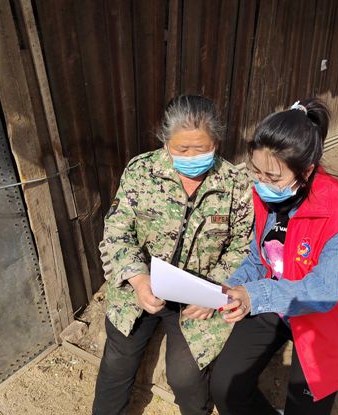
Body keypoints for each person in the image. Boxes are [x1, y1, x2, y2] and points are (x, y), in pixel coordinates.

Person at [93, 95, 254, 415]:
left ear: (217, 143)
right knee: (117, 362)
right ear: (165, 143)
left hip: (200, 295)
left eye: (201, 148)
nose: (192, 156)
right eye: (182, 149)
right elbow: (117, 228)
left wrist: (213, 292)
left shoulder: (235, 184)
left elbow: (243, 246)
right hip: (142, 288)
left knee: (185, 379)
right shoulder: (141, 171)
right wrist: (138, 279)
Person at [210, 98, 338, 415]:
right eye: (256, 171)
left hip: (321, 315)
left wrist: (255, 295)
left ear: (306, 172)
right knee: (226, 387)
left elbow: (324, 290)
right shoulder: (266, 196)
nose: (262, 183)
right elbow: (260, 258)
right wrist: (233, 286)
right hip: (275, 304)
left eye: (273, 177)